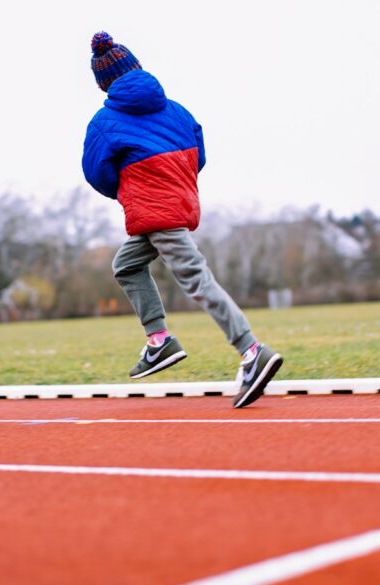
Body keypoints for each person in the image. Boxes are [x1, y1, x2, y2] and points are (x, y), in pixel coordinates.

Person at [82, 31, 282, 408]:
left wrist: (133, 189)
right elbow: (199, 155)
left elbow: (97, 174)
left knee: (196, 278)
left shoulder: (105, 121)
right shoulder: (176, 109)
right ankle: (159, 342)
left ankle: (252, 350)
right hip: (180, 202)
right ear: (137, 67)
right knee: (126, 265)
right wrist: (172, 184)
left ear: (103, 83)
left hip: (153, 208)